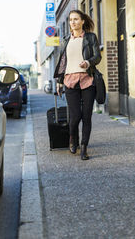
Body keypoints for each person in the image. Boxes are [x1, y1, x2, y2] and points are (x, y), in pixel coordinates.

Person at [54, 9, 101, 160]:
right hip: (70, 81)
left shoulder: (90, 37)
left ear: (82, 21)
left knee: (87, 116)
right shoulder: (66, 40)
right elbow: (62, 63)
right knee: (75, 116)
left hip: (88, 80)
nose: (72, 22)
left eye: (76, 19)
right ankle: (72, 139)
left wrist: (88, 62)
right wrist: (59, 82)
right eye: (71, 20)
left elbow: (97, 56)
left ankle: (84, 148)